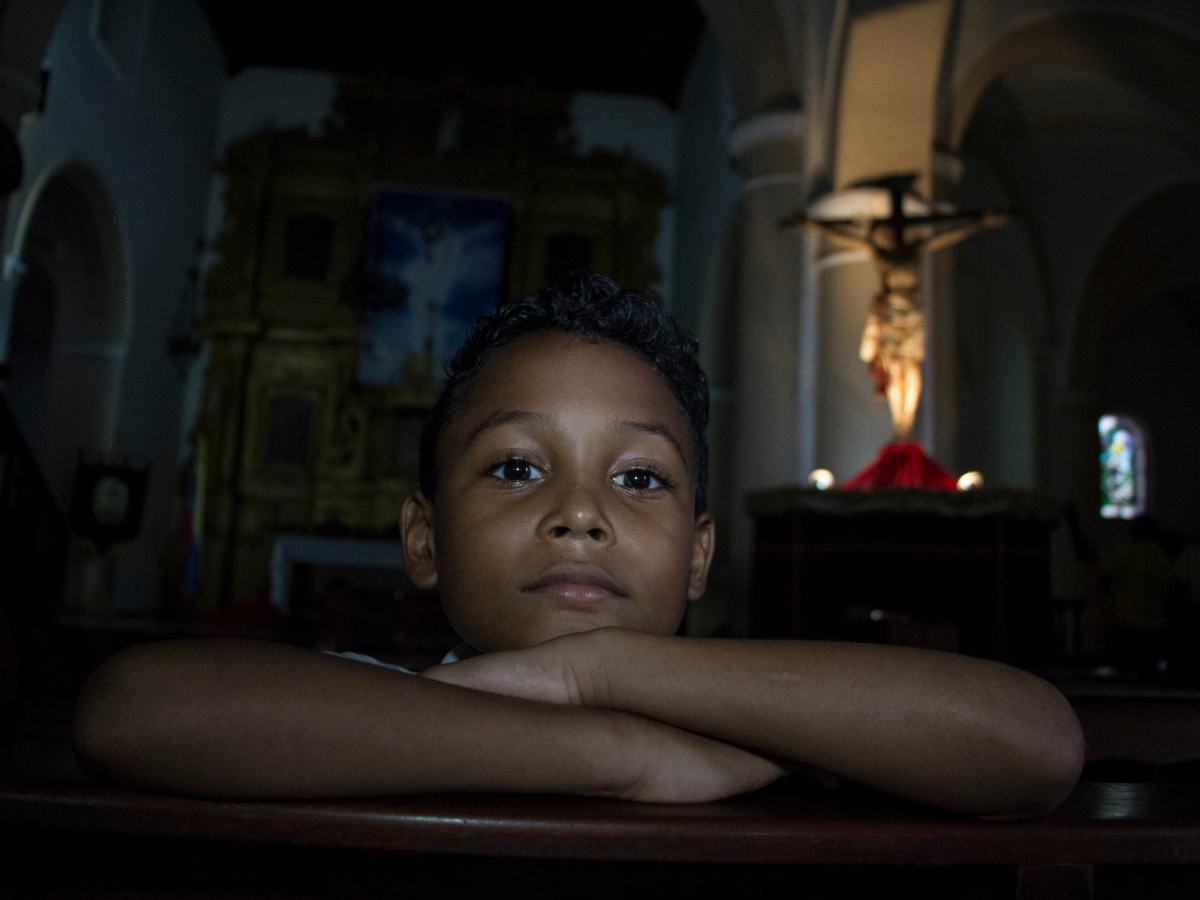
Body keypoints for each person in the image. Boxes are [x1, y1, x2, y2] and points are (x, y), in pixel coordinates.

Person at [71, 273, 1083, 815]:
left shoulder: (791, 730)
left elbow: (1035, 744)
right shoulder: (373, 704)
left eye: (639, 478)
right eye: (517, 467)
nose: (580, 513)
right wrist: (617, 756)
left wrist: (595, 673)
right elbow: (132, 709)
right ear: (423, 537)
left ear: (699, 553)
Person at [784, 176, 1008, 441]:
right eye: (881, 234)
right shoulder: (880, 254)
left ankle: (906, 421)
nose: (885, 236)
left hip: (911, 313)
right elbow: (844, 237)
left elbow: (947, 235)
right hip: (891, 313)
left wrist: (980, 222)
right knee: (894, 368)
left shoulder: (915, 249)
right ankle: (899, 425)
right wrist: (813, 225)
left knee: (910, 367)